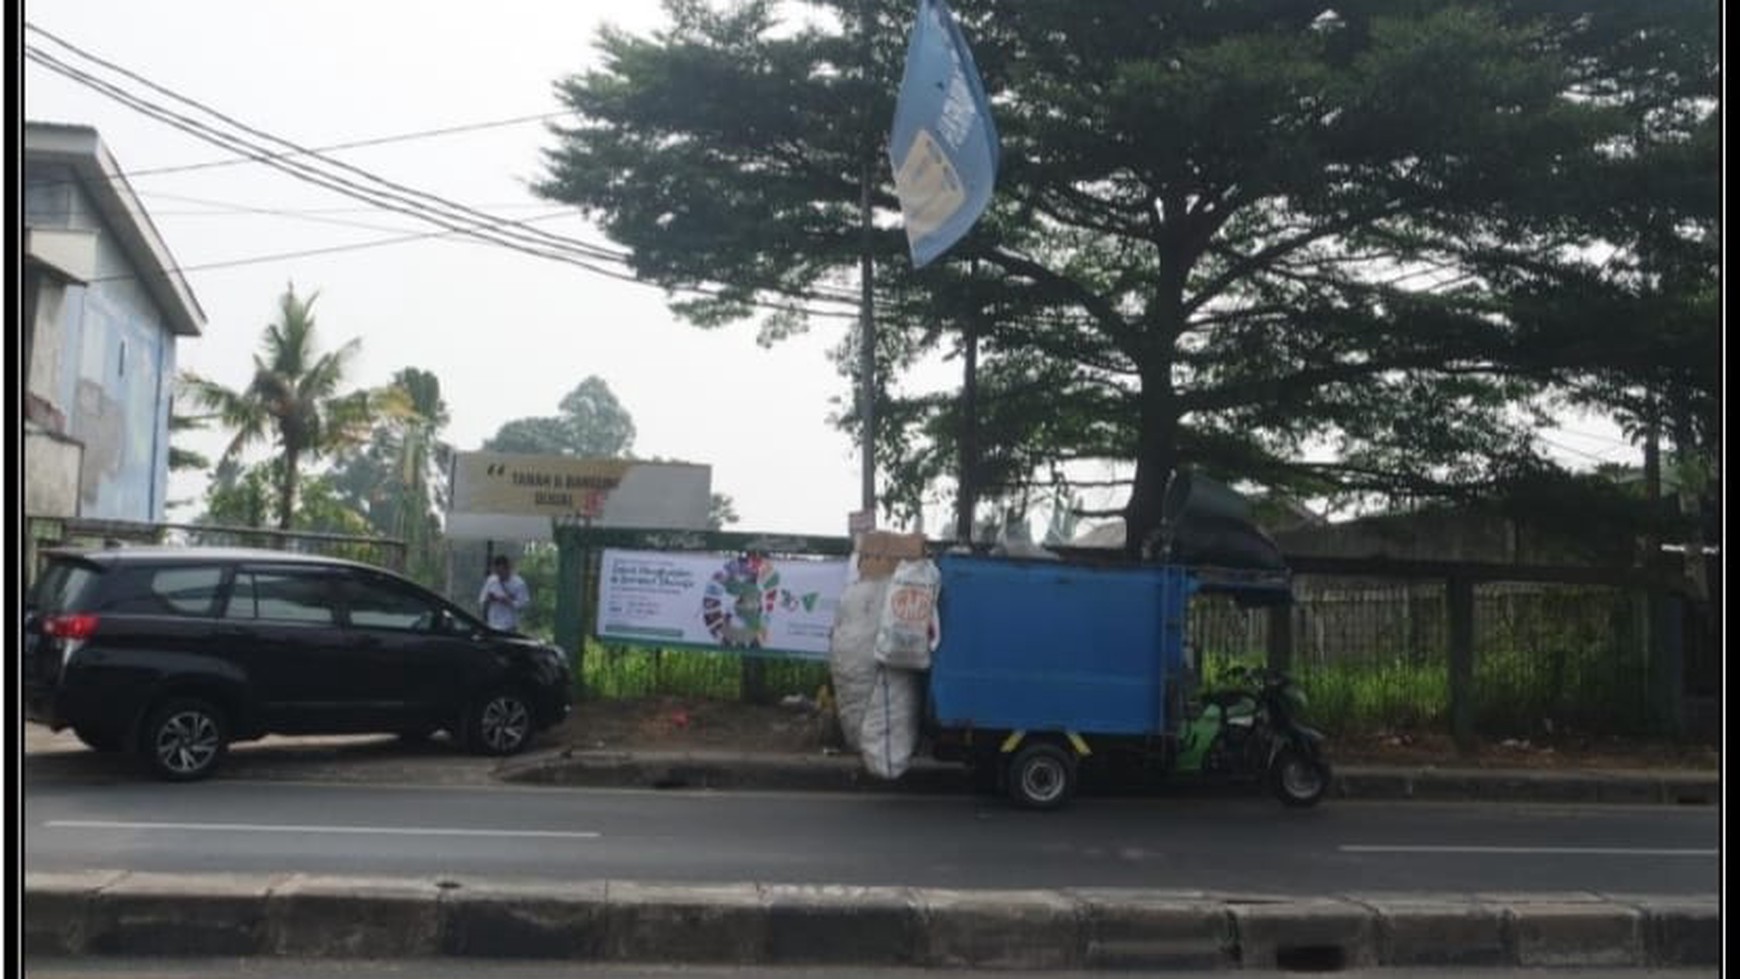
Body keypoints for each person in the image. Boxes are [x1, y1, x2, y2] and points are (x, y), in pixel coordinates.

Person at [478, 555, 531, 632]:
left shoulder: (519, 583)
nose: (499, 576)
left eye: (501, 572)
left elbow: (524, 605)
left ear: (507, 569)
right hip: (492, 624)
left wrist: (509, 601)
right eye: (497, 572)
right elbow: (481, 599)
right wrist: (489, 598)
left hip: (509, 626)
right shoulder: (491, 580)